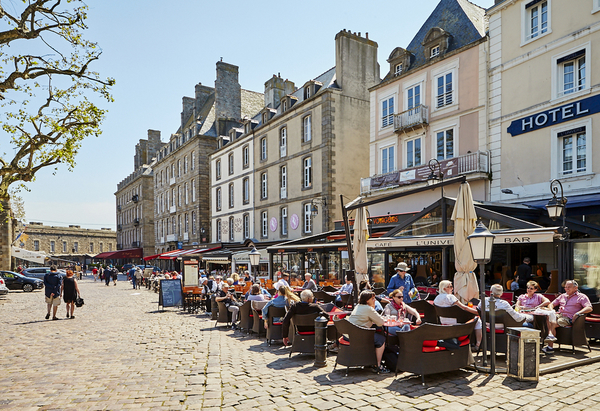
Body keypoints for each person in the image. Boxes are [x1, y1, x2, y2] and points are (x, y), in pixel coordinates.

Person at [346, 290, 389, 374]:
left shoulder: (358, 306)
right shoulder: (368, 309)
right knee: (381, 339)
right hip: (358, 336)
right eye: (372, 299)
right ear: (367, 300)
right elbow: (380, 323)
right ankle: (378, 365)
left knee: (374, 336)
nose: (375, 300)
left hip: (348, 335)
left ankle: (370, 361)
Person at [544, 280, 593, 354]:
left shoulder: (582, 297)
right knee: (548, 316)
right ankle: (550, 337)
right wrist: (551, 310)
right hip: (559, 314)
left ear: (575, 288)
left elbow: (589, 308)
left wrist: (578, 313)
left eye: (569, 287)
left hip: (569, 318)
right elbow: (551, 304)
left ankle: (550, 345)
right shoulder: (563, 296)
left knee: (552, 323)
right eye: (565, 287)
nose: (567, 289)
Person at [433, 280, 482, 350]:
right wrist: (478, 313)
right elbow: (464, 307)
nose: (452, 288)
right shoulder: (450, 297)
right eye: (450, 286)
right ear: (444, 289)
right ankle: (478, 344)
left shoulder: (436, 298)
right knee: (478, 320)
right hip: (456, 323)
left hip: (444, 322)